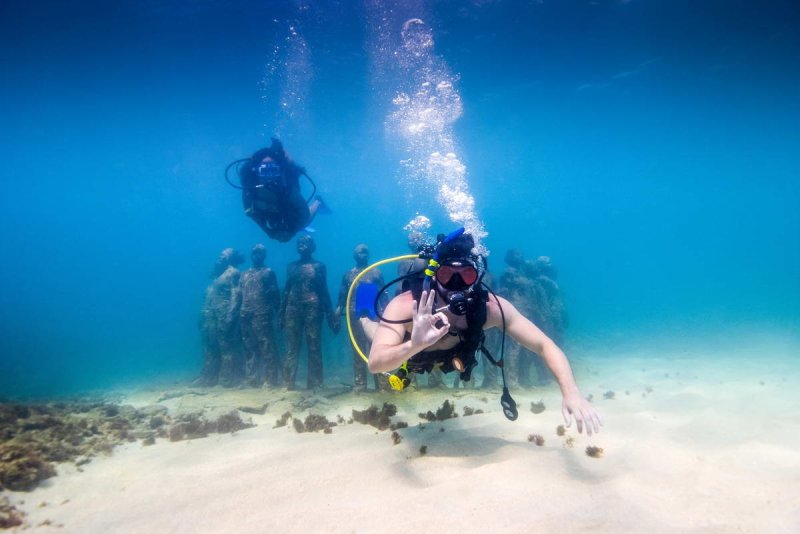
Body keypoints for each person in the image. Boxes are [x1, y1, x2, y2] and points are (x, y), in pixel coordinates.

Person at [367, 232, 601, 434]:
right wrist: (413, 345)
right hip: (411, 355)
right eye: (447, 275)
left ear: (477, 276)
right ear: (434, 274)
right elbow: (376, 363)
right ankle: (363, 311)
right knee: (372, 328)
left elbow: (543, 344)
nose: (457, 284)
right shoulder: (405, 305)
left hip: (454, 356)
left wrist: (571, 392)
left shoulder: (490, 308)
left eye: (466, 275)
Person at [237, 138, 324, 243]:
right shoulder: (249, 188)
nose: (269, 176)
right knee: (275, 224)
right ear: (256, 171)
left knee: (304, 223)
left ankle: (318, 202)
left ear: (278, 171)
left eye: (273, 170)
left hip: (288, 209)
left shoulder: (287, 187)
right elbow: (250, 213)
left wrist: (292, 232)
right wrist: (269, 232)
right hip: (268, 213)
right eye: (264, 171)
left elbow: (304, 214)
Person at [280, 234, 338, 390]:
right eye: (299, 242)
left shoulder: (319, 266)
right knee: (291, 346)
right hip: (292, 308)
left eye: (305, 242)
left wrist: (330, 315)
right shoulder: (291, 266)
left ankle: (315, 383)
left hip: (313, 308)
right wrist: (281, 314)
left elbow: (323, 290)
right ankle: (288, 383)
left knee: (314, 345)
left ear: (312, 246)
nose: (301, 245)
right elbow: (286, 291)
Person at [335, 244, 388, 392]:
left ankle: (381, 384)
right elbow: (342, 295)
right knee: (357, 350)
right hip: (354, 315)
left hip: (374, 315)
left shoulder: (376, 272)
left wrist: (387, 311)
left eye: (366, 251)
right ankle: (360, 384)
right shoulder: (348, 275)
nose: (363, 254)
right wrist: (338, 310)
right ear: (354, 255)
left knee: (376, 348)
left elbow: (384, 293)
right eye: (360, 252)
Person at [196, 248, 245, 387]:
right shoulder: (216, 275)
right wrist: (202, 315)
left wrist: (231, 315)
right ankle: (208, 377)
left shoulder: (233, 273)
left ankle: (226, 379)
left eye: (224, 255)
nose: (220, 257)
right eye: (220, 254)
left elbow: (237, 295)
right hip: (209, 316)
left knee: (226, 347)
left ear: (231, 258)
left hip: (223, 315)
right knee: (209, 346)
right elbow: (207, 297)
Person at [236, 244, 280, 387]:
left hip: (262, 313)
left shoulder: (268, 272)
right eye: (254, 252)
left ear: (264, 255)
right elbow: (239, 295)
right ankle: (252, 378)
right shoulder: (243, 274)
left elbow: (275, 295)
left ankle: (270, 379)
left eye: (260, 252)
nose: (256, 255)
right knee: (249, 347)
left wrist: (278, 314)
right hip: (245, 314)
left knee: (266, 346)